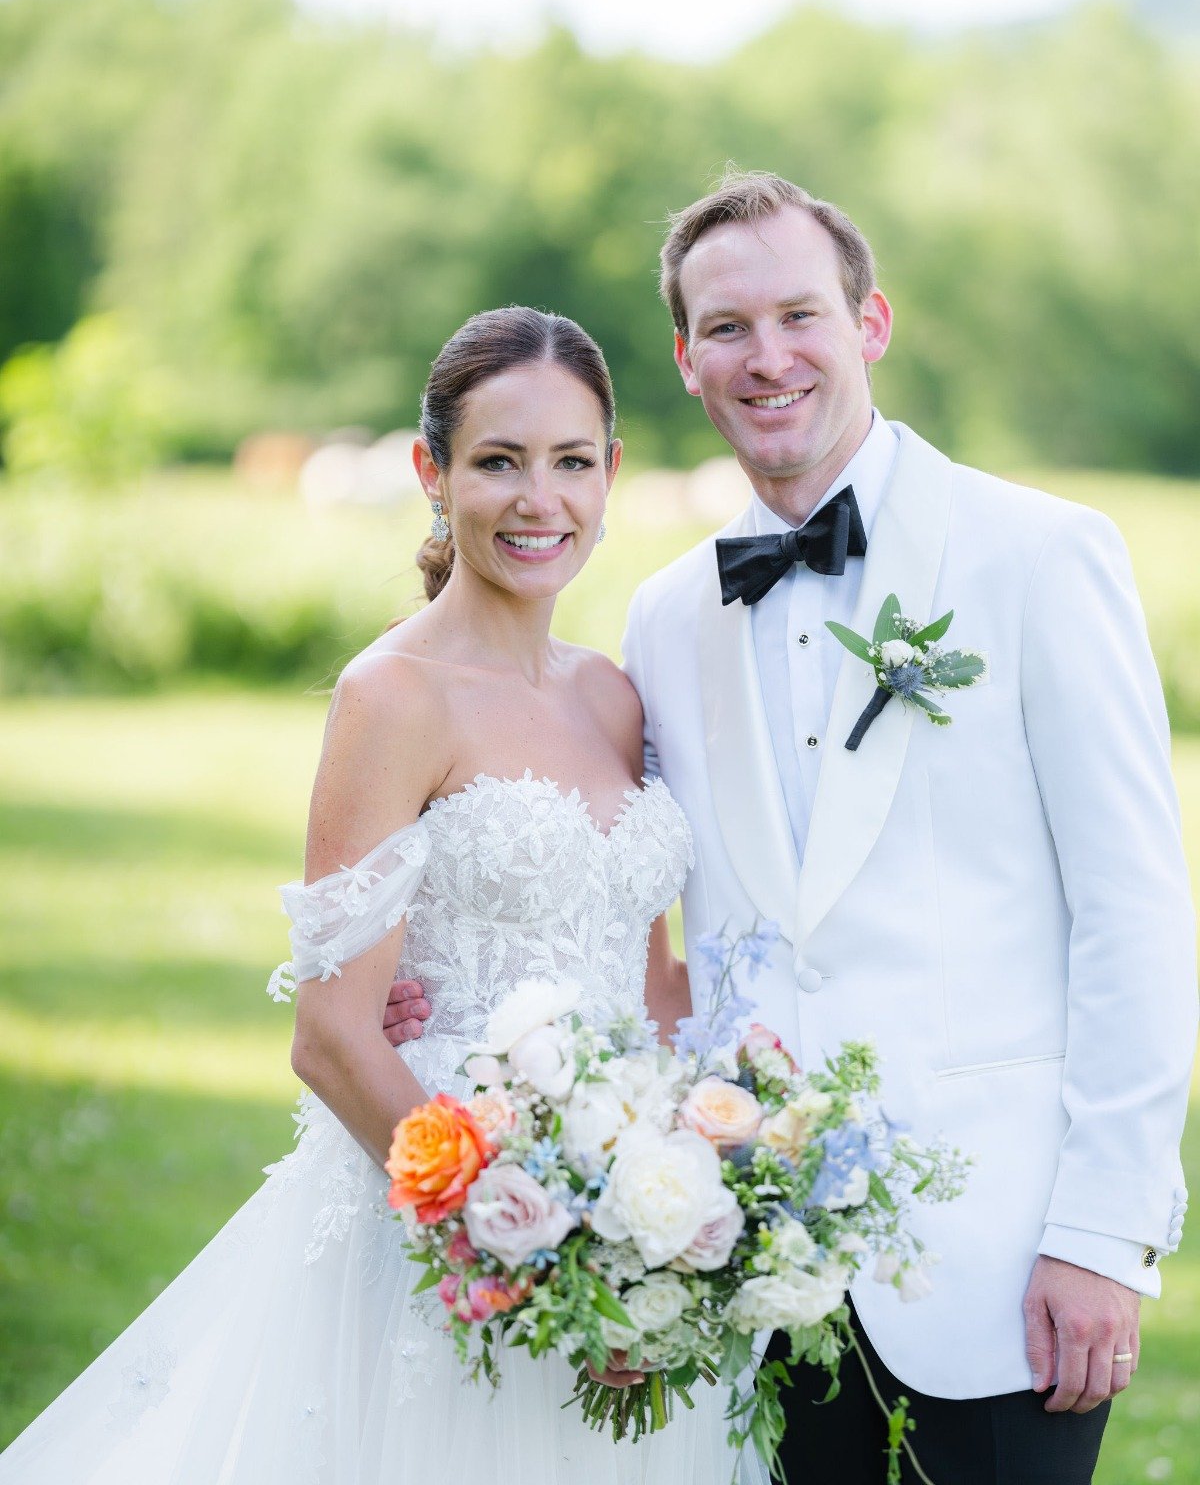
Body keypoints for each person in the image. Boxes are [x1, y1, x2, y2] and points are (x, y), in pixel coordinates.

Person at [378, 173, 1199, 1484]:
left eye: (798, 315)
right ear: (686, 363)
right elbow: (634, 912)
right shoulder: (663, 615)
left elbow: (1139, 913)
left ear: (870, 322)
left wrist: (1105, 1233)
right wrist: (430, 999)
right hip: (745, 1280)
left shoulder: (1040, 556)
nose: (768, 357)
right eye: (725, 328)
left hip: (1004, 1268)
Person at [0, 306, 754, 1485]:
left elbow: (649, 974)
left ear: (611, 475)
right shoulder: (392, 696)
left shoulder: (614, 695)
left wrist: (670, 1214)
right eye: (498, 461)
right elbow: (335, 1037)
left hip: (625, 1212)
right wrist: (520, 1251)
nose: (536, 499)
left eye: (569, 462)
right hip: (445, 1222)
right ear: (431, 474)